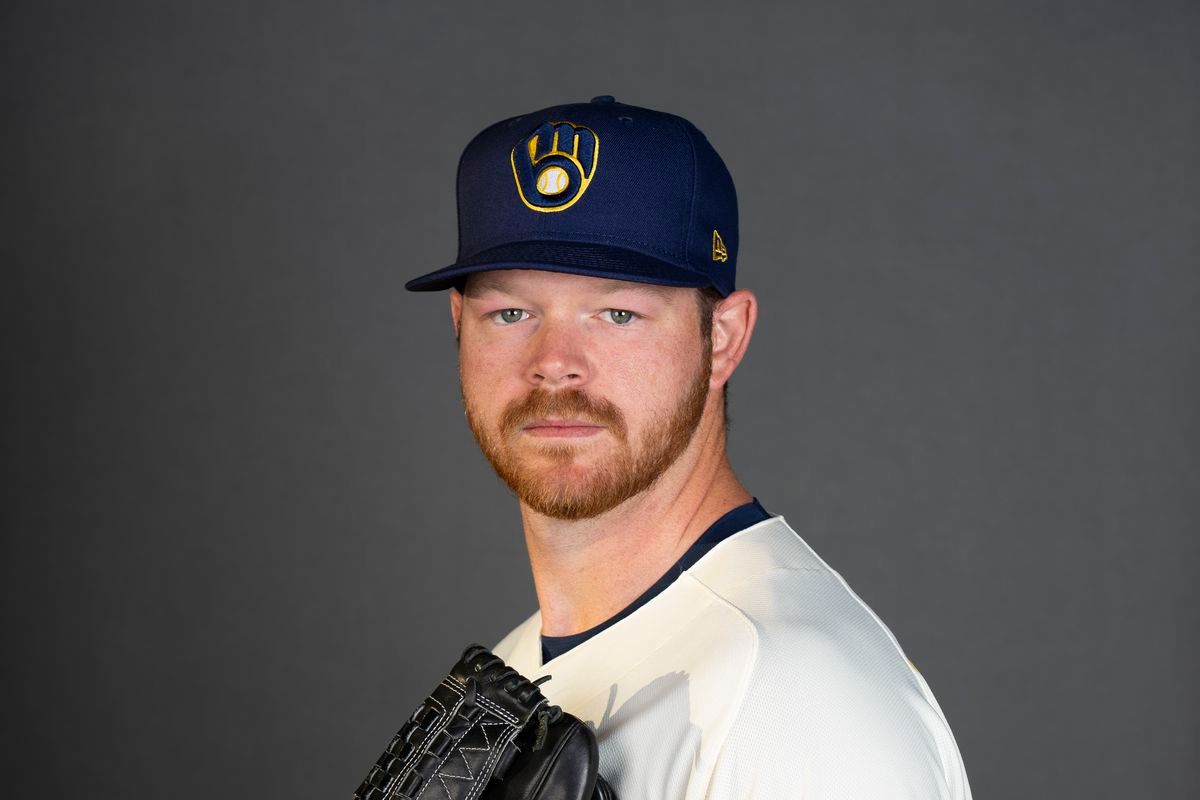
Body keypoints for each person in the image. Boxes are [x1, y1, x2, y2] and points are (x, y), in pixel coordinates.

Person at [404, 95, 973, 799]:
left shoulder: (792, 701)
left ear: (724, 339)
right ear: (459, 325)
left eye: (617, 313)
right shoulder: (514, 670)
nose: (555, 362)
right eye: (511, 312)